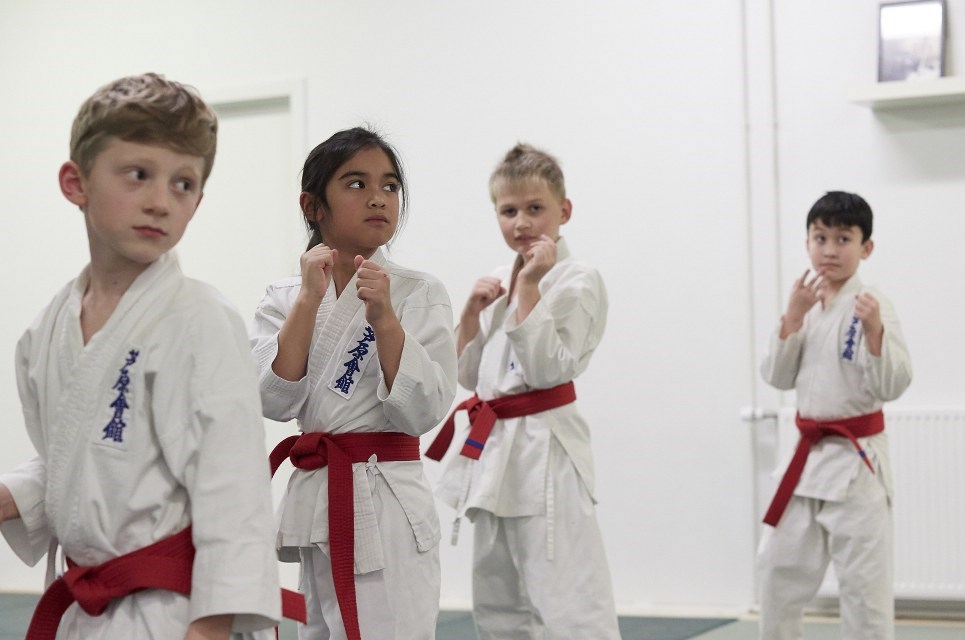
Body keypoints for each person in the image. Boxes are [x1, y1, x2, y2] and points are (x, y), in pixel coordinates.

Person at [0, 73, 280, 639]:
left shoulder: (200, 319)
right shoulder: (44, 331)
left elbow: (236, 492)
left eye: (183, 184)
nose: (160, 201)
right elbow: (77, 456)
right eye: (138, 174)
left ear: (198, 201)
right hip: (87, 609)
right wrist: (12, 496)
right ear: (76, 182)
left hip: (176, 613)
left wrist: (210, 627)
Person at [250, 127, 457, 639]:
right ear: (313, 205)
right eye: (356, 183)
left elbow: (424, 409)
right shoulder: (284, 296)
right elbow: (272, 399)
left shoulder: (418, 292)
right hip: (318, 492)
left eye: (390, 186)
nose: (378, 198)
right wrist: (307, 300)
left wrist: (385, 320)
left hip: (387, 497)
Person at [426, 143, 620, 639]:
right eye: (509, 211)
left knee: (568, 596)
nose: (522, 223)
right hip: (494, 450)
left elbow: (548, 369)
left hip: (546, 447)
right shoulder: (497, 279)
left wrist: (531, 288)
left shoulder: (578, 279)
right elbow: (469, 376)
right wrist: (471, 314)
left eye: (535, 208)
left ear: (564, 210)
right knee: (499, 600)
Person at [757, 191, 912, 640]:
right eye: (820, 237)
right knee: (776, 571)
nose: (829, 250)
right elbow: (777, 376)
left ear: (866, 248)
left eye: (843, 239)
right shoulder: (805, 302)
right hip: (806, 461)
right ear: (807, 242)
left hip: (857, 463)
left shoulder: (871, 303)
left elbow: (893, 385)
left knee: (864, 589)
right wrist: (792, 317)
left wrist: (874, 330)